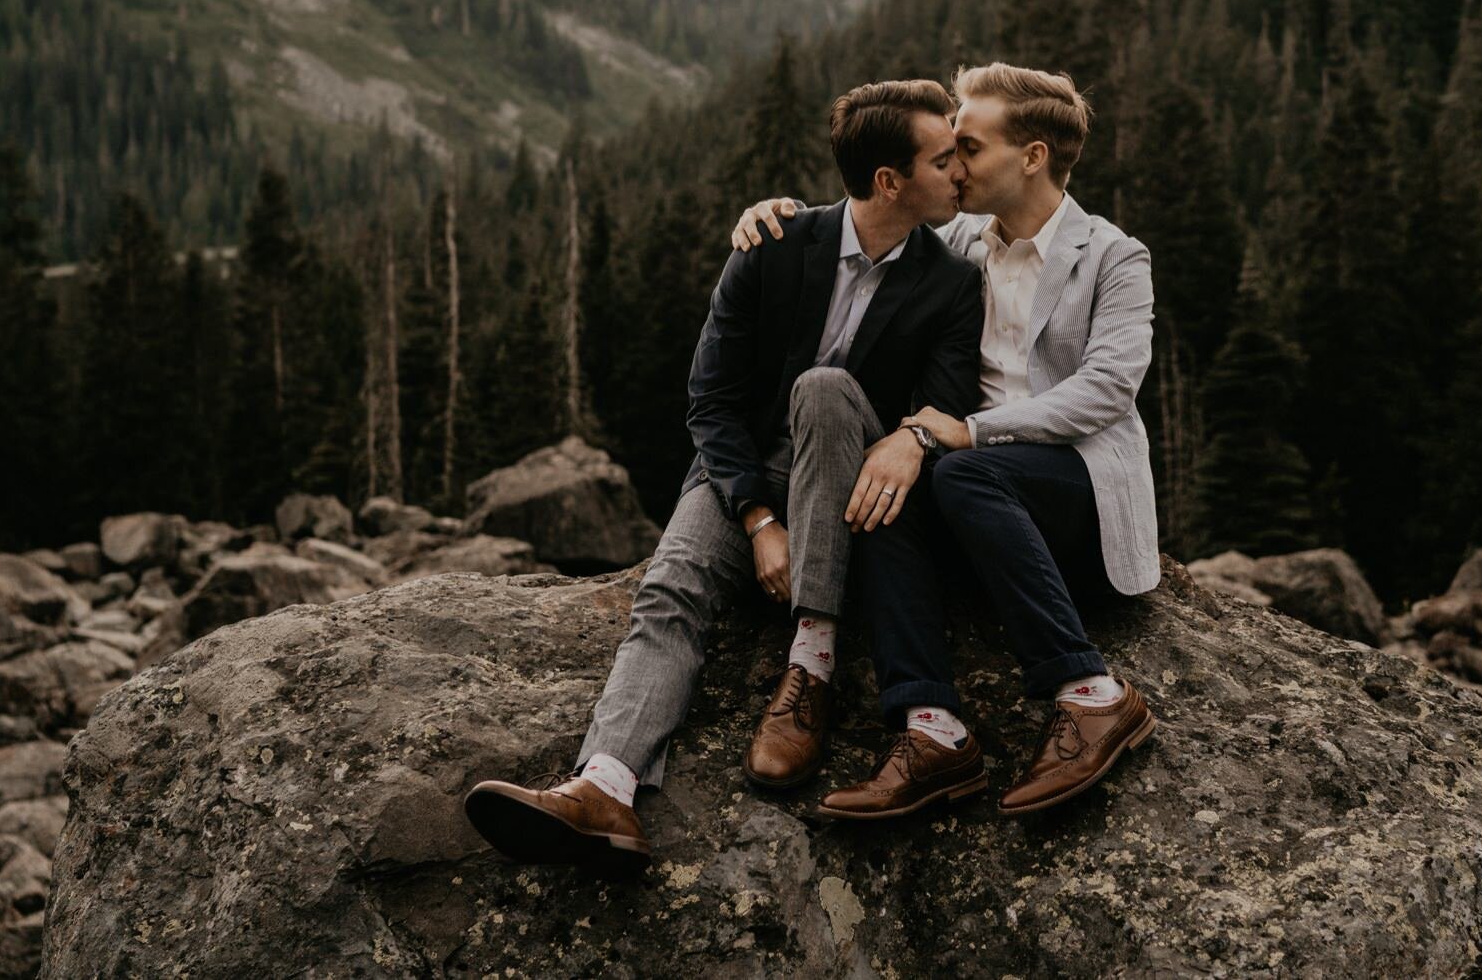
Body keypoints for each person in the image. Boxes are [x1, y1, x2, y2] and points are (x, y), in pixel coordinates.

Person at [464, 79, 984, 867]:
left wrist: (912, 435)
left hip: (852, 469)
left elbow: (944, 402)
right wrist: (756, 518)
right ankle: (605, 786)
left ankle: (810, 665)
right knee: (672, 587)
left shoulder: (949, 282)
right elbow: (711, 399)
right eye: (944, 160)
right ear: (890, 181)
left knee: (824, 387)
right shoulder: (774, 243)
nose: (961, 174)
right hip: (744, 471)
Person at [730, 61, 1159, 821]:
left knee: (958, 474)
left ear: (1031, 158)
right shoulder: (957, 236)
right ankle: (932, 727)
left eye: (970, 148)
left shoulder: (1115, 256)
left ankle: (1090, 693)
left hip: (1075, 496)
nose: (953, 166)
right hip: (975, 492)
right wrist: (782, 219)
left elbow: (1106, 391)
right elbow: (868, 217)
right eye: (948, 153)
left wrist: (961, 432)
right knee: (884, 487)